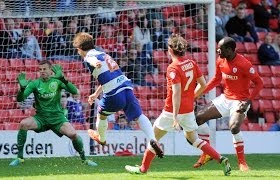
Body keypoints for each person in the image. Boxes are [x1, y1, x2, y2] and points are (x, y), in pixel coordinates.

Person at [125, 34, 231, 176]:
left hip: (171, 111)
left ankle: (143, 169)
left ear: (170, 50)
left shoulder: (173, 68)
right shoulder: (192, 63)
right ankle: (221, 158)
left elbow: (176, 93)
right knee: (194, 139)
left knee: (153, 137)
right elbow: (203, 84)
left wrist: (174, 116)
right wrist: (193, 96)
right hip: (188, 109)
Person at [72, 32, 164, 158]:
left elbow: (92, 60)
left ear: (80, 49)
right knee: (139, 116)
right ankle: (153, 139)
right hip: (126, 87)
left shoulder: (88, 56)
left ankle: (101, 138)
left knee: (101, 114)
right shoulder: (104, 54)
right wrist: (96, 93)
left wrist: (95, 64)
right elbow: (110, 77)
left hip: (114, 94)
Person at [193, 37, 263, 172]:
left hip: (240, 101)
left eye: (221, 48)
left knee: (234, 127)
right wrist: (199, 92)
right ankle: (207, 153)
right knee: (199, 117)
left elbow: (259, 83)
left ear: (230, 50)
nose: (218, 50)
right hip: (225, 99)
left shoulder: (244, 64)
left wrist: (248, 102)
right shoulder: (220, 60)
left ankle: (242, 163)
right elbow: (216, 80)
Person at [9, 60, 97, 167]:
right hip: (41, 118)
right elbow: (20, 99)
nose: (42, 71)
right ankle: (19, 157)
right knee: (23, 124)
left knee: (73, 134)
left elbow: (75, 92)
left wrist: (63, 80)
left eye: (44, 69)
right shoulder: (35, 83)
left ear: (51, 70)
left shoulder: (57, 81)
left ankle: (84, 159)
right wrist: (22, 89)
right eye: (40, 69)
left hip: (57, 118)